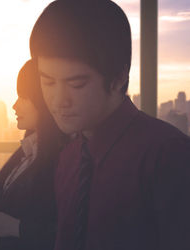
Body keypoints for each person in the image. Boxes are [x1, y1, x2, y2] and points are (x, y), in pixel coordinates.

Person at [29, 0, 190, 249]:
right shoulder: (69, 159)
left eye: (76, 84)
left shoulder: (168, 155)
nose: (58, 101)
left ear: (118, 79)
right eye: (48, 82)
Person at [0, 59, 66, 250]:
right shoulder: (27, 151)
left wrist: (16, 228)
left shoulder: (65, 158)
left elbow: (69, 231)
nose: (15, 106)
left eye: (24, 97)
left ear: (42, 100)